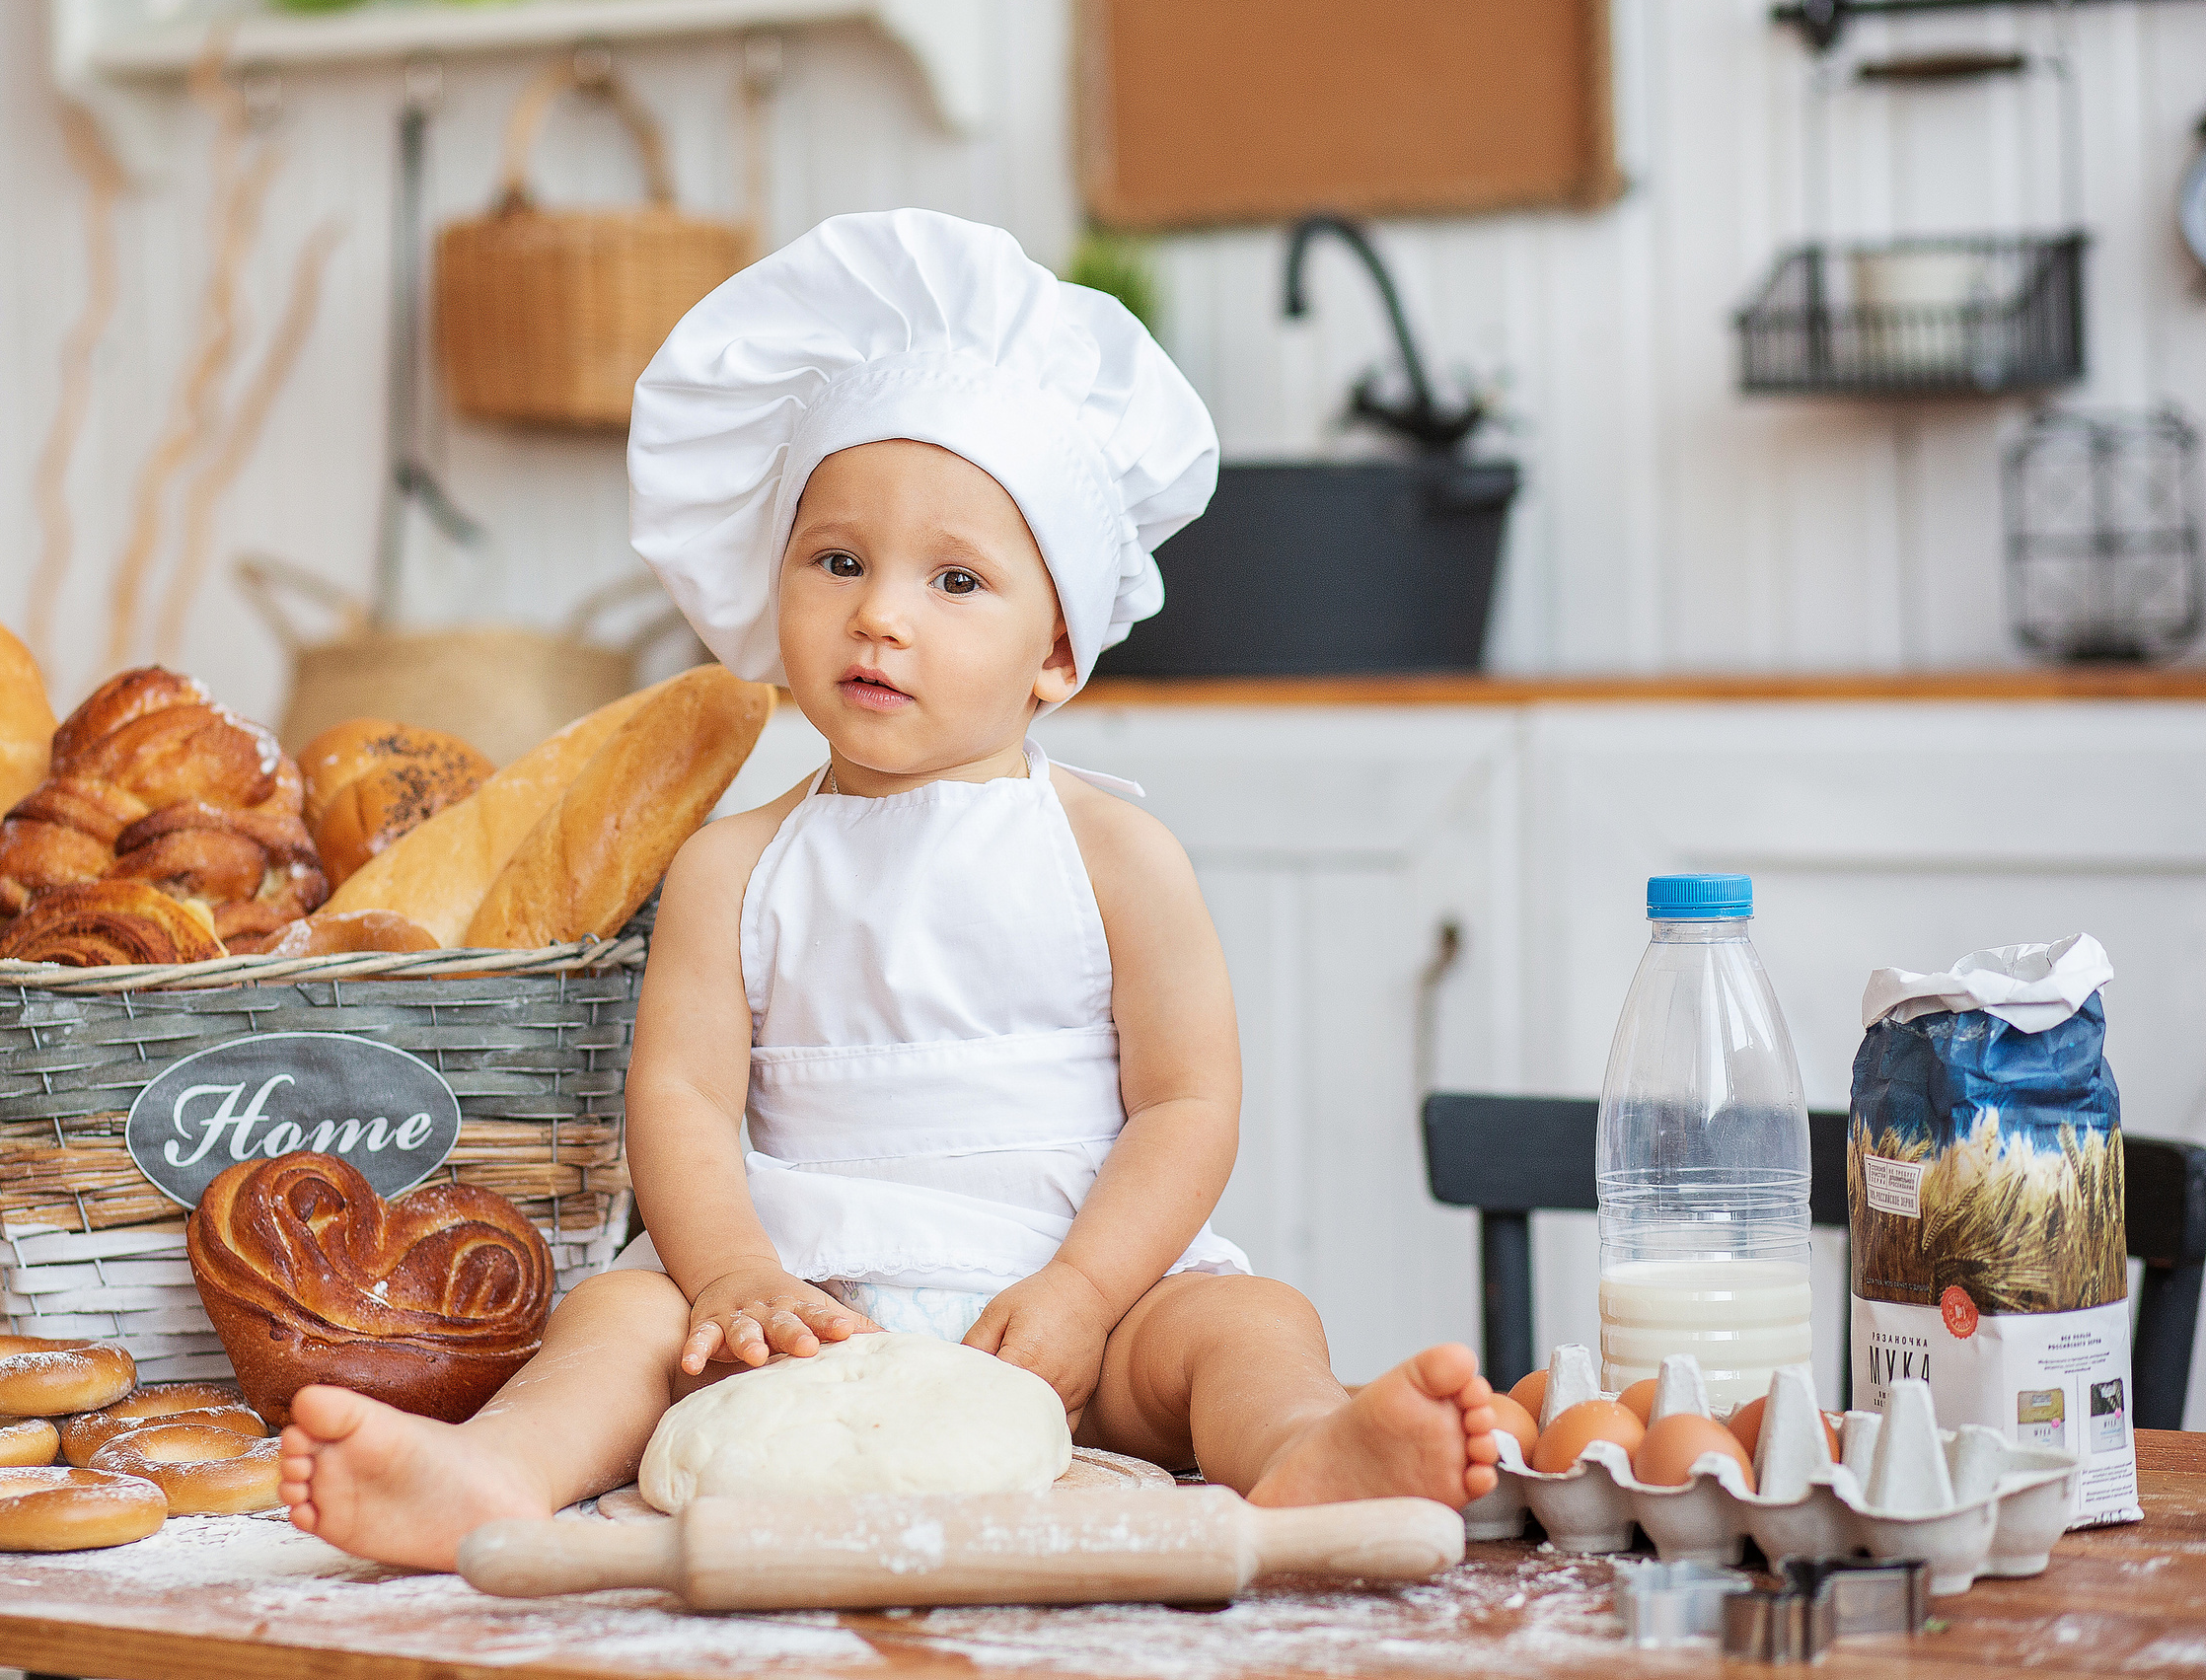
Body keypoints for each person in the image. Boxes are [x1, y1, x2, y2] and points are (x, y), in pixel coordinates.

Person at [278, 210, 1499, 1570]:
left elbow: (1188, 1104)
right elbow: (684, 1099)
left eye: (956, 578)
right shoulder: (732, 863)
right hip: (808, 1297)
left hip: (1066, 1291)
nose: (880, 614)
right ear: (777, 579)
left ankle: (1301, 1453)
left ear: (1059, 650)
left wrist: (1089, 1293)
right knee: (615, 1323)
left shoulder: (1112, 854)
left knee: (1255, 1324)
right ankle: (492, 1473)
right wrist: (736, 1274)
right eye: (838, 560)